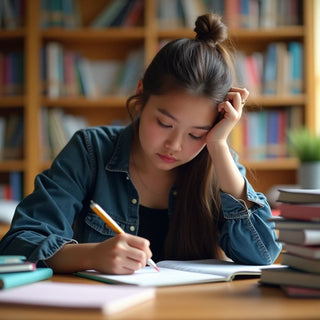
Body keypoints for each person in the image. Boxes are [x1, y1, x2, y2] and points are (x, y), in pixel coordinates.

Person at [0, 13, 281, 275]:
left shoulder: (217, 162)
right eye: (164, 124)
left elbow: (263, 254)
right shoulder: (90, 151)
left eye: (196, 134)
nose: (174, 145)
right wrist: (92, 256)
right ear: (141, 95)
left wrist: (218, 145)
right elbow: (19, 243)